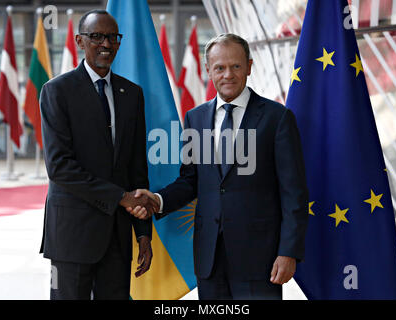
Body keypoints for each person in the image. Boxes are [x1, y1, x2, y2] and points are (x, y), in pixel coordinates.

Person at [130, 33, 309, 300]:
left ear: (249, 67)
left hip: (260, 260)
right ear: (208, 70)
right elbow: (191, 180)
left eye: (236, 66)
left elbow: (294, 192)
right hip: (209, 259)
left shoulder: (277, 118)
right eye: (220, 68)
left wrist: (288, 251)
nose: (228, 74)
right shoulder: (195, 118)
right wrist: (157, 200)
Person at [39, 9, 158, 300]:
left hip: (117, 238)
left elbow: (136, 167)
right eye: (97, 37)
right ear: (80, 41)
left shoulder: (132, 94)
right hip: (72, 235)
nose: (106, 44)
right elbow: (60, 167)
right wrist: (121, 197)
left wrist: (143, 232)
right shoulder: (56, 91)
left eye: (112, 37)